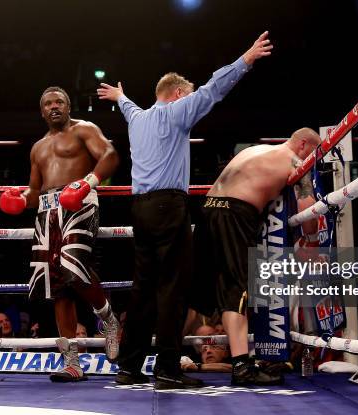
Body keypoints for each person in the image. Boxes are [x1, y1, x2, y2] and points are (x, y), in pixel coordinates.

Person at [97, 31, 273, 390]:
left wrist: (120, 95)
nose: (191, 101)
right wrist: (246, 59)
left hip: (140, 209)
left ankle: (129, 367)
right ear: (177, 94)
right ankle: (166, 369)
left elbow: (129, 106)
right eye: (187, 96)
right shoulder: (177, 112)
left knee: (143, 290)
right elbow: (213, 89)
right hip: (167, 207)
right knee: (172, 289)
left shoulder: (139, 118)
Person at [0, 86, 120, 382]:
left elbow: (110, 155)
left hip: (79, 201)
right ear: (42, 111)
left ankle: (109, 320)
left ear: (68, 106)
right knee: (56, 287)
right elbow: (35, 189)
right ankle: (72, 363)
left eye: (59, 102)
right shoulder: (38, 147)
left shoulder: (84, 129)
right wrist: (20, 198)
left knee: (73, 265)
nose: (54, 106)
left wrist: (87, 183)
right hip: (46, 211)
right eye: (49, 103)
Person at [191, 127, 322, 385]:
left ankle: (167, 360)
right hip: (234, 214)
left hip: (208, 209)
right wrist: (312, 241)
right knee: (237, 291)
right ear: (304, 145)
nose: (314, 161)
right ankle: (241, 367)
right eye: (315, 154)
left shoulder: (255, 150)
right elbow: (309, 208)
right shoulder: (295, 161)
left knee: (197, 290)